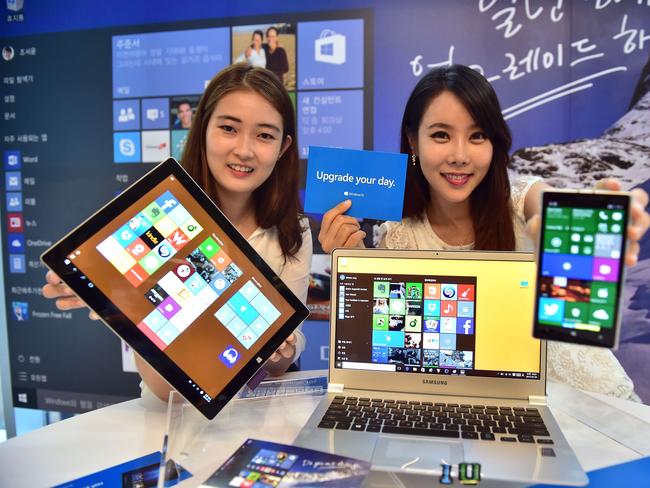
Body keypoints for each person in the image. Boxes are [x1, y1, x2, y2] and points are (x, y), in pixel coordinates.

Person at [319, 65, 650, 401]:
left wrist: (582, 226)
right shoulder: (400, 235)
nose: (460, 156)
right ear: (412, 141)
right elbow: (397, 353)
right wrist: (353, 262)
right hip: (487, 404)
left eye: (477, 136)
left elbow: (550, 209)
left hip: (584, 400)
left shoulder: (522, 200)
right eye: (441, 135)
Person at [43, 64, 311, 401]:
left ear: (284, 147)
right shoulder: (158, 217)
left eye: (265, 135)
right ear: (202, 130)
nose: (244, 150)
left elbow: (285, 353)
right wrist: (103, 288)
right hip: (163, 417)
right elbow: (161, 386)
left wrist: (281, 349)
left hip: (256, 414)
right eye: (228, 128)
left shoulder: (292, 230)